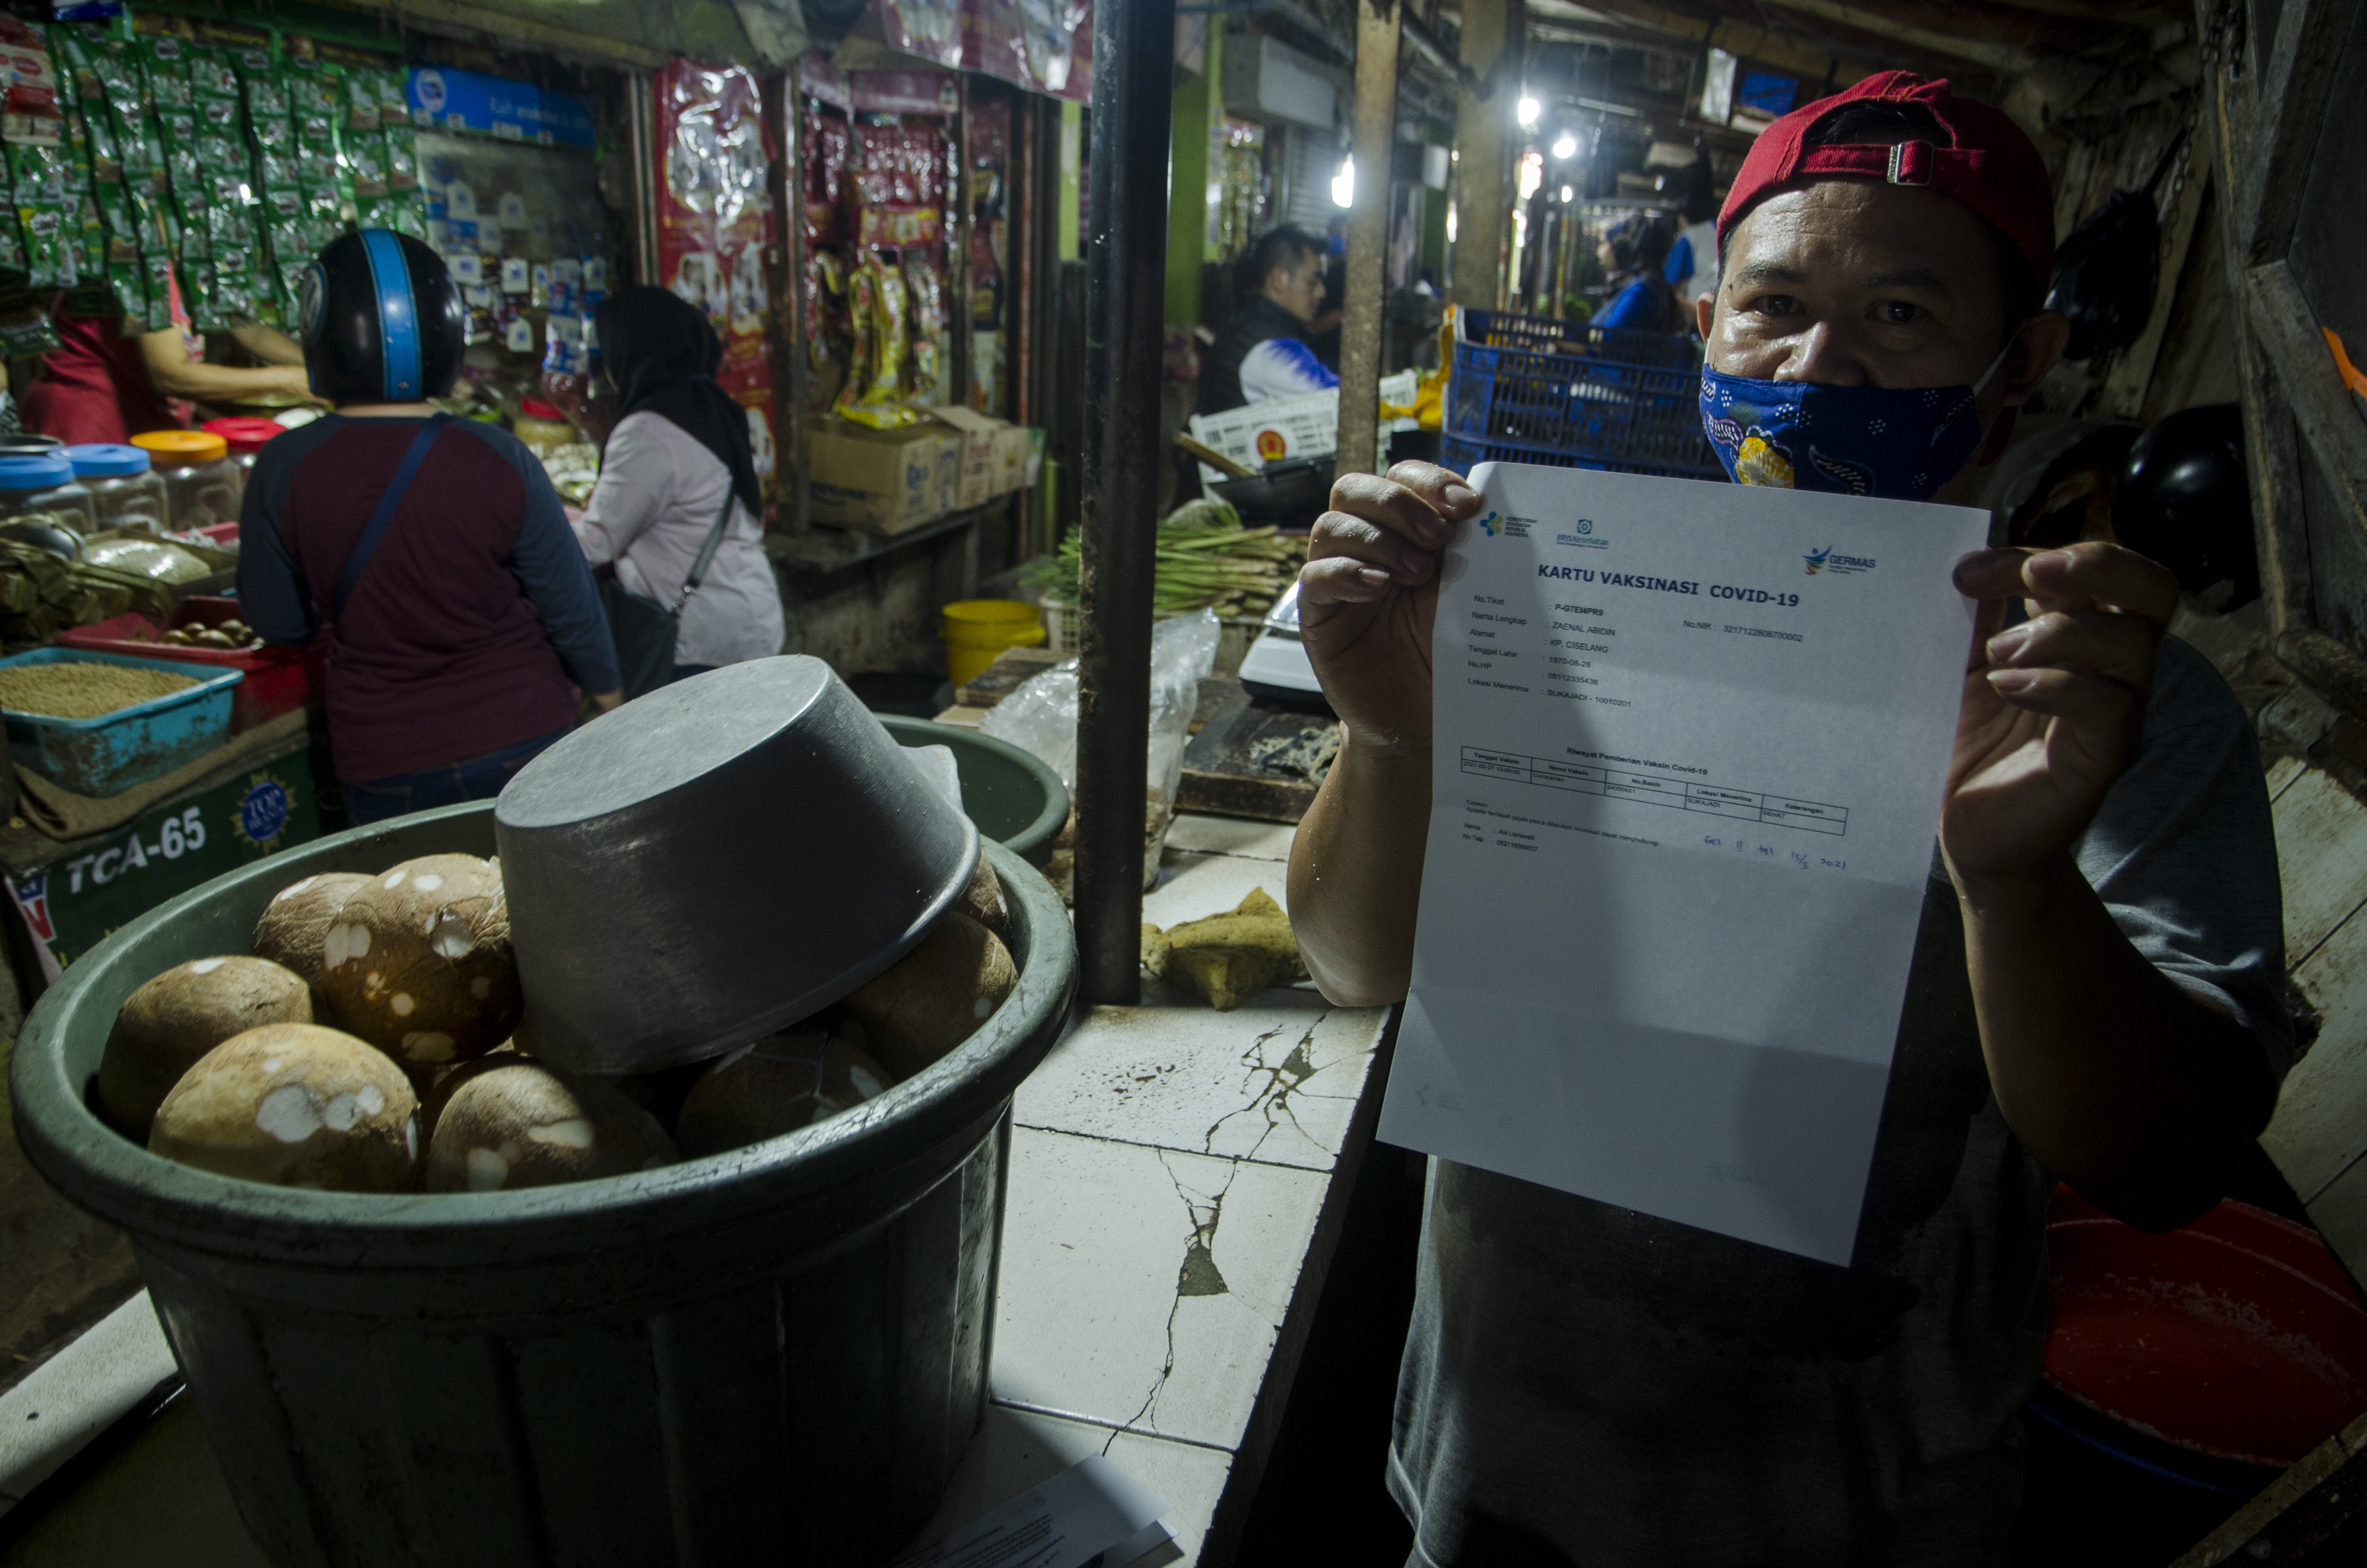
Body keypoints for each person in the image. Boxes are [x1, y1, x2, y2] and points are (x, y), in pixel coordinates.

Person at [1289, 72, 2287, 1565]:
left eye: (1899, 313)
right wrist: (1383, 729)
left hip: (1857, 1507)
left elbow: (2160, 1163)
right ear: (1705, 333)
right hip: (1493, 1462)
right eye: (1772, 307)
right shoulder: (1544, 602)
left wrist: (2010, 884)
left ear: (2022, 366)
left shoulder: (2097, 696)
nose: (1820, 367)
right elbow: (1354, 962)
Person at [239, 231, 621, 825]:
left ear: (320, 334)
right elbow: (569, 604)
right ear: (448, 333)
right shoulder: (498, 454)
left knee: (410, 916)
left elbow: (278, 621)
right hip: (526, 733)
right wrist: (611, 704)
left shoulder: (282, 467)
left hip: (386, 759)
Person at [573, 286, 783, 683]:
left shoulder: (649, 432)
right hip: (746, 613)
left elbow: (595, 543)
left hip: (703, 634)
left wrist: (529, 519)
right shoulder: (709, 404)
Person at [21, 266, 320, 446]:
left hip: (146, 420)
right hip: (90, 426)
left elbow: (249, 330)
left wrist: (322, 366)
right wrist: (288, 379)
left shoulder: (196, 257)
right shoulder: (142, 261)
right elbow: (169, 375)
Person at [1197, 224, 1338, 417]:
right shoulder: (1268, 349)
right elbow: (1338, 402)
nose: (1321, 292)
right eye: (1313, 281)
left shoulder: (1250, 325)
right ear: (1279, 279)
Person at [1592, 208, 1682, 331]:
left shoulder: (1641, 291)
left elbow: (1605, 341)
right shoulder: (1635, 286)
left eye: (1604, 242)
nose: (1600, 252)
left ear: (1622, 248)